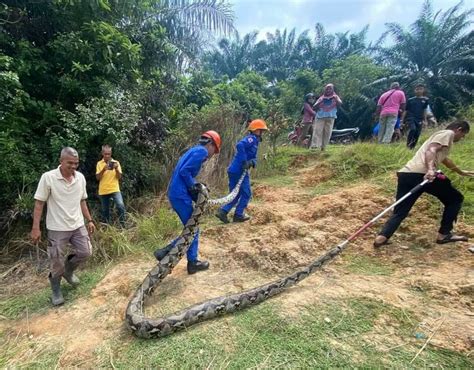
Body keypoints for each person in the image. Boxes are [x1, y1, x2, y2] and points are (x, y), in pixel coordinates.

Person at [373, 121, 473, 248]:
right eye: (463, 135)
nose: (462, 138)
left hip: (406, 174)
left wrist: (460, 171)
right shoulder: (448, 134)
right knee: (455, 199)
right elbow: (431, 150)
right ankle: (444, 234)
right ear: (459, 129)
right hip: (423, 175)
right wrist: (431, 169)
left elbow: (445, 160)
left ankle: (382, 237)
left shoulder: (441, 140)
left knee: (400, 211)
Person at [31, 147, 95, 306]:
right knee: (56, 260)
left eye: (76, 163)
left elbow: (82, 201)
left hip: (78, 224)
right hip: (57, 228)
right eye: (70, 163)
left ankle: (69, 271)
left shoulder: (80, 178)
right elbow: (39, 203)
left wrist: (90, 220)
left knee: (86, 252)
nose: (73, 166)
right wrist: (35, 228)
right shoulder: (48, 178)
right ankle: (56, 290)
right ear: (61, 161)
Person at [153, 130, 221, 274]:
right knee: (193, 228)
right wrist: (194, 185)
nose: (212, 155)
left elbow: (184, 173)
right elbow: (185, 172)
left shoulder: (194, 150)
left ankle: (171, 253)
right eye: (214, 150)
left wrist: (196, 187)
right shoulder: (201, 152)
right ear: (210, 144)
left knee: (190, 228)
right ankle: (189, 261)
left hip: (177, 193)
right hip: (180, 195)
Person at [216, 119, 268, 224]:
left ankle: (223, 211)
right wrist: (245, 161)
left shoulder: (255, 142)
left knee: (235, 194)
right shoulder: (251, 139)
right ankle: (238, 215)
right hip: (239, 170)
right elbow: (240, 145)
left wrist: (252, 162)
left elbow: (253, 157)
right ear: (255, 130)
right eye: (261, 130)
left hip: (235, 170)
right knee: (246, 194)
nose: (262, 132)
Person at [96, 145, 126, 226]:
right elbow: (98, 178)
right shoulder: (99, 163)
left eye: (109, 154)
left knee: (120, 205)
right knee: (105, 211)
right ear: (102, 153)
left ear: (111, 153)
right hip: (103, 190)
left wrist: (116, 169)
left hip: (114, 189)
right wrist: (103, 169)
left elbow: (119, 177)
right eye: (105, 154)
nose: (107, 156)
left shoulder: (116, 163)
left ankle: (123, 226)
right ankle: (107, 229)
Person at [310, 84, 342, 151]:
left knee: (327, 132)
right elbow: (314, 107)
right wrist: (321, 101)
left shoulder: (335, 97)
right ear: (324, 90)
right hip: (320, 117)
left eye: (330, 89)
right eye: (327, 89)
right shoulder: (321, 97)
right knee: (317, 131)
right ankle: (315, 147)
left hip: (330, 117)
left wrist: (336, 99)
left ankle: (323, 147)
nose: (328, 90)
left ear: (333, 90)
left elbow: (340, 104)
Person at [404, 84, 429, 149]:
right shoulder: (410, 100)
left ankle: (412, 147)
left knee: (417, 133)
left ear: (423, 90)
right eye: (417, 89)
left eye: (420, 89)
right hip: (411, 117)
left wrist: (425, 120)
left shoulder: (425, 100)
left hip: (419, 119)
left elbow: (425, 110)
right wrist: (402, 119)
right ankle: (408, 145)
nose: (419, 91)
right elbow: (406, 110)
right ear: (414, 90)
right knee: (413, 129)